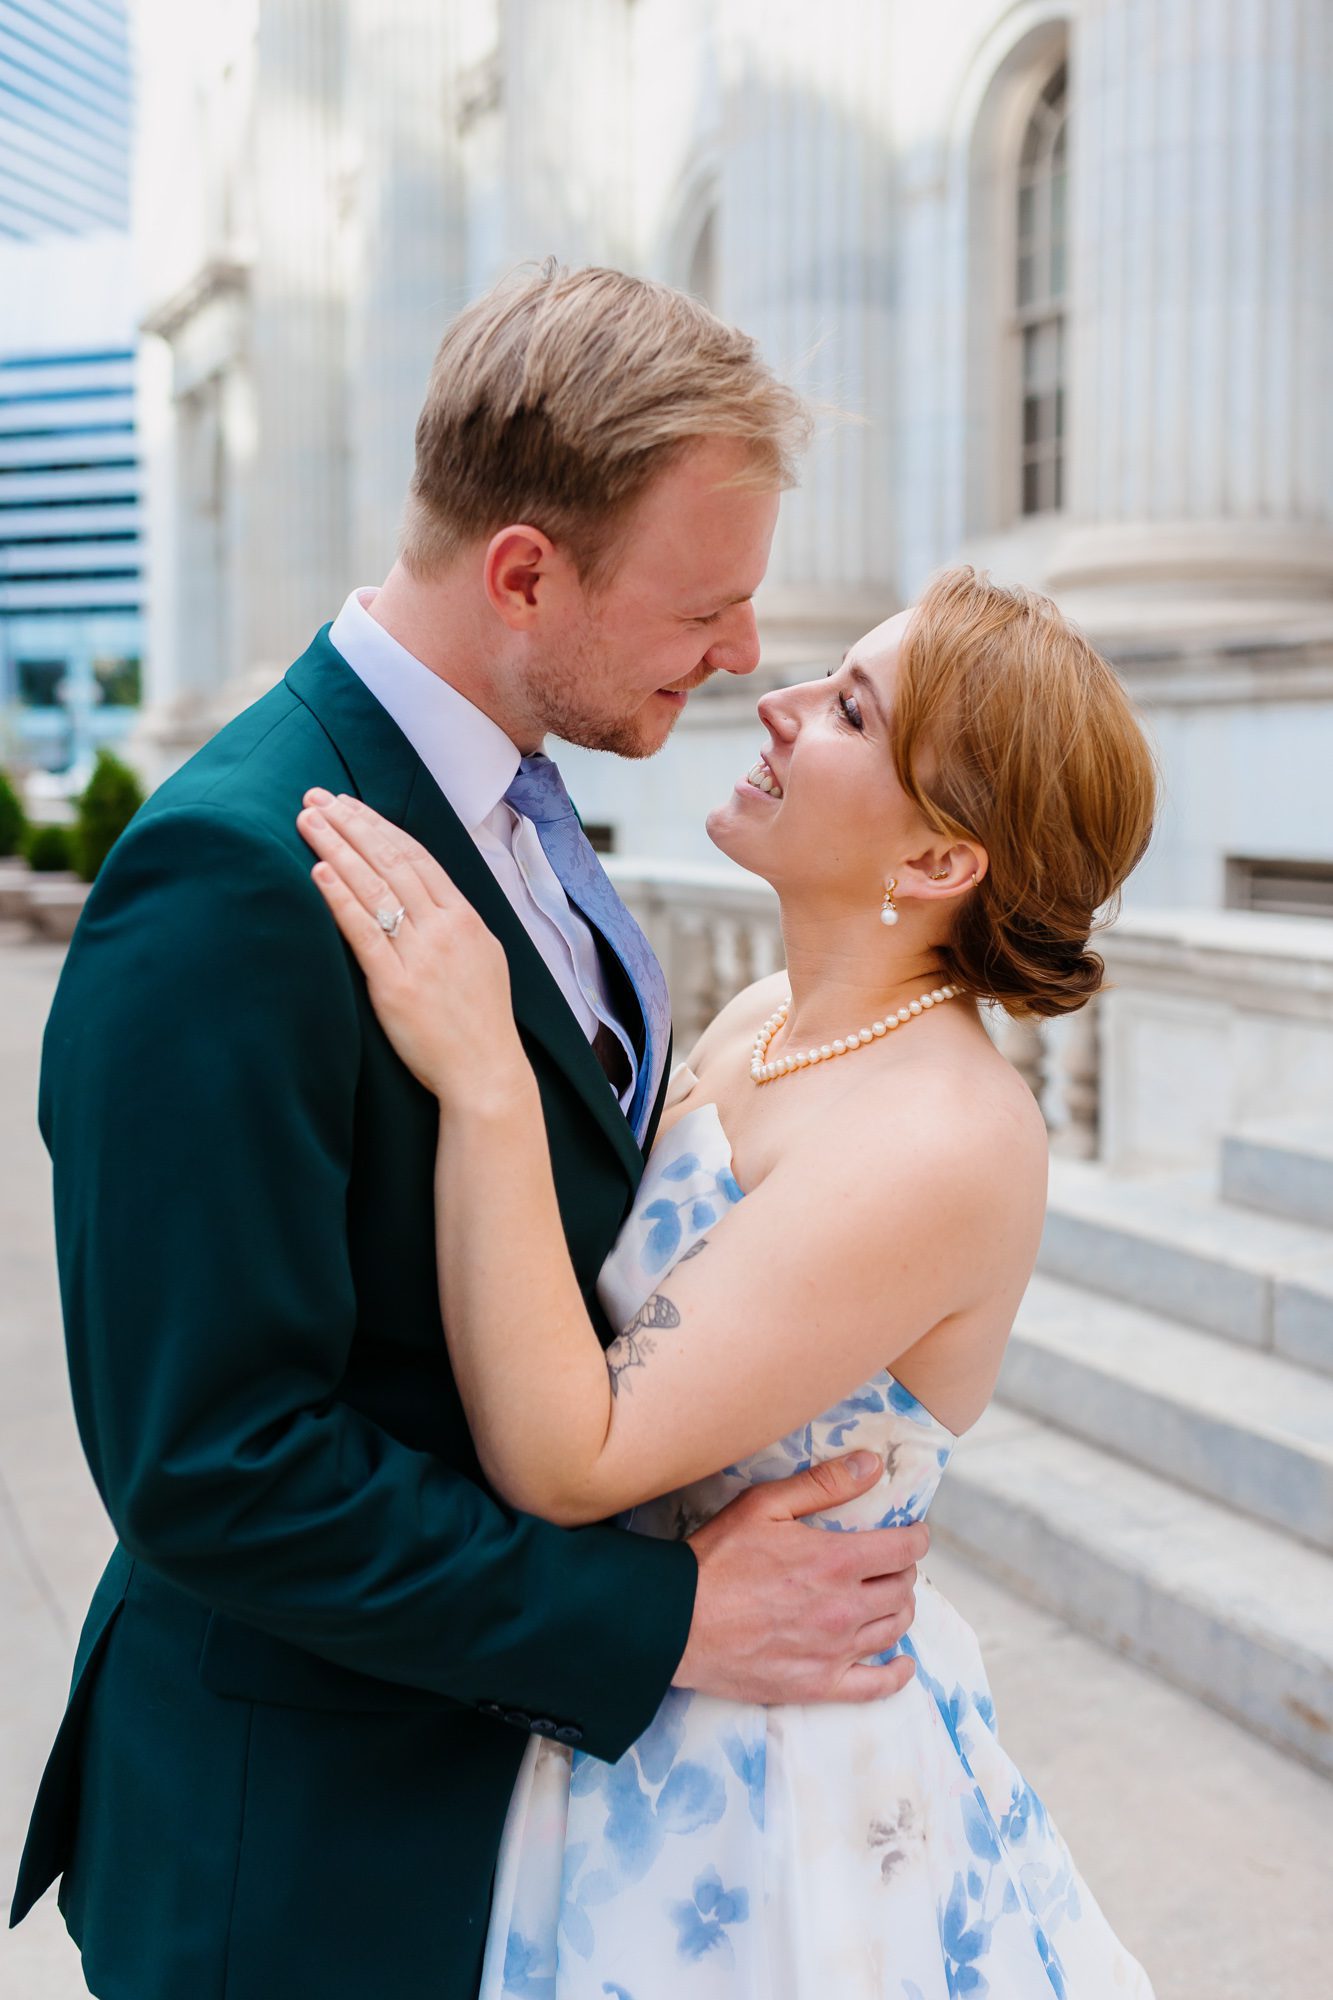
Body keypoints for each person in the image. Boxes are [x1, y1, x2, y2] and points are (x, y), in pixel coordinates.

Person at [8, 266, 928, 2000]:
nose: (742, 657)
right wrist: (656, 1625)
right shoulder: (231, 881)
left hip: (509, 1822)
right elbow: (213, 1461)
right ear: (524, 573)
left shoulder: (513, 787)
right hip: (302, 1855)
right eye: (704, 606)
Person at [295, 563, 1161, 1998]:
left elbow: (577, 1457)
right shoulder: (770, 1019)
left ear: (940, 863)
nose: (775, 702)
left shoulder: (936, 1137)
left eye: (848, 712)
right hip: (639, 1705)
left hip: (774, 1797)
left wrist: (487, 1079)